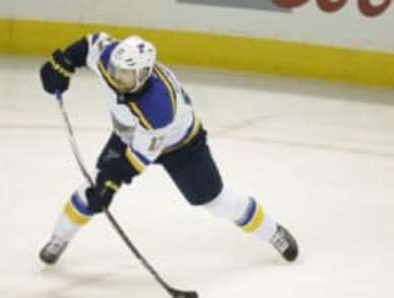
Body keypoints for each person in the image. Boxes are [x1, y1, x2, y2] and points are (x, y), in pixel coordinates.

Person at [38, 32, 298, 265]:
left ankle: (272, 231)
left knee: (214, 201)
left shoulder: (158, 106)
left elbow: (139, 156)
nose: (117, 78)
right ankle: (58, 239)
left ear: (143, 74)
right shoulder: (112, 61)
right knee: (91, 189)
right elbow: (90, 43)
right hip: (128, 133)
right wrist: (63, 62)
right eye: (116, 71)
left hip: (181, 147)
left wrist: (112, 181)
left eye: (126, 76)